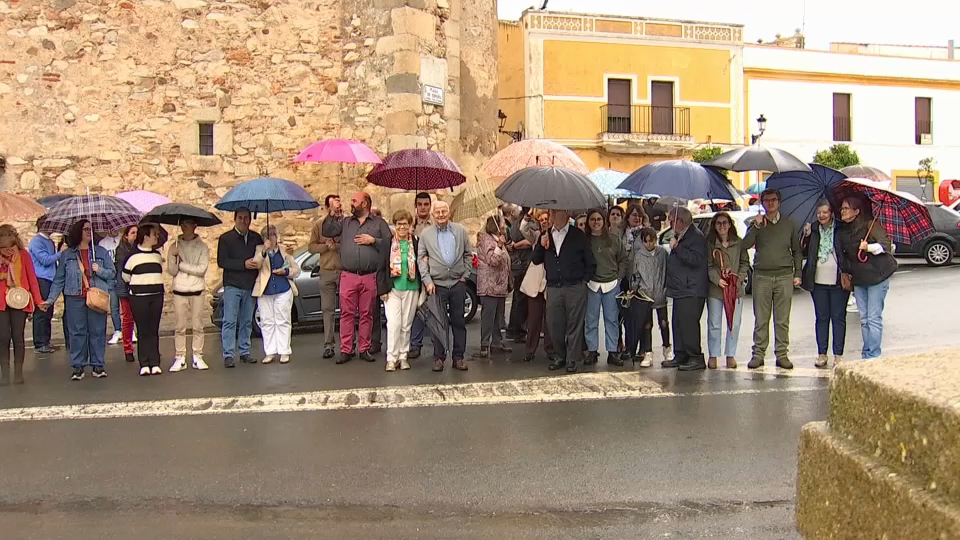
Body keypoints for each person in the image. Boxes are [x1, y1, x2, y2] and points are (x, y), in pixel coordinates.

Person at [41, 219, 116, 381]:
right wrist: (50, 300)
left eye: (90, 229)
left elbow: (112, 273)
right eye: (85, 229)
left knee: (97, 331)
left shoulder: (100, 253)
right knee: (77, 333)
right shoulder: (68, 255)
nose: (89, 232)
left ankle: (97, 364)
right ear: (78, 232)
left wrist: (99, 270)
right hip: (74, 298)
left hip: (95, 296)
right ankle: (78, 365)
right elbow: (59, 279)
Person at [323, 192, 392, 364]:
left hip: (369, 276)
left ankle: (364, 348)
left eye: (354, 201)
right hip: (348, 275)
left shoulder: (378, 223)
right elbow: (327, 231)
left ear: (365, 203)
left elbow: (390, 242)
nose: (351, 203)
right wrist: (332, 213)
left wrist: (373, 241)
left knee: (367, 314)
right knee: (346, 314)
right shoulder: (346, 222)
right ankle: (346, 349)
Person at [742, 189, 802, 370]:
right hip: (762, 276)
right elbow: (744, 245)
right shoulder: (757, 223)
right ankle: (758, 354)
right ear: (762, 202)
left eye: (774, 200)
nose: (770, 203)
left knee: (782, 319)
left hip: (784, 275)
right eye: (766, 200)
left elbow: (797, 250)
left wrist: (798, 273)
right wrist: (756, 227)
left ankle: (782, 354)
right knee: (761, 318)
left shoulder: (789, 223)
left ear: (779, 202)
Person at [532, 208, 596, 374]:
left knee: (575, 324)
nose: (551, 215)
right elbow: (536, 259)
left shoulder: (577, 235)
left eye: (555, 212)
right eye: (551, 212)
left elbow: (590, 261)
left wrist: (584, 281)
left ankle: (572, 359)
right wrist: (541, 244)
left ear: (565, 215)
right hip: (554, 286)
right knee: (554, 324)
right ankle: (560, 355)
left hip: (575, 286)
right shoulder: (546, 234)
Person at [837, 197, 897, 360]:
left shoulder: (871, 225)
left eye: (846, 208)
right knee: (864, 319)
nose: (842, 211)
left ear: (856, 212)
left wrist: (868, 247)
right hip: (860, 278)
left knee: (873, 317)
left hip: (877, 276)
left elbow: (886, 246)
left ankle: (874, 355)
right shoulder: (844, 231)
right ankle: (867, 354)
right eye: (842, 208)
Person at [418, 200, 473, 372]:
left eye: (444, 211)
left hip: (457, 283)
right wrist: (427, 281)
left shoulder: (460, 231)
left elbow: (468, 255)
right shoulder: (426, 234)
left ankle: (458, 358)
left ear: (449, 213)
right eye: (438, 212)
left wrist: (465, 276)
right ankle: (439, 358)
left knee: (459, 322)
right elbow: (421, 259)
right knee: (439, 323)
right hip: (437, 285)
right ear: (433, 215)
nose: (441, 215)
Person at [800, 200, 849, 368]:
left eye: (825, 212)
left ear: (832, 213)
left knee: (838, 317)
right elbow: (804, 252)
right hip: (818, 281)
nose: (821, 216)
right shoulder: (812, 229)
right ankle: (822, 354)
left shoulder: (841, 229)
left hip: (837, 282)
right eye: (819, 212)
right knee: (821, 318)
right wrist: (805, 236)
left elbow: (847, 251)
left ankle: (838, 355)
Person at [217, 208, 263, 368]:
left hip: (249, 284)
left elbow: (260, 257)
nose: (243, 221)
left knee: (246, 321)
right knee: (229, 321)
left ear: (250, 220)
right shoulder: (226, 239)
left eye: (246, 218)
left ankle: (245, 351)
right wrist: (242, 264)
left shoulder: (256, 238)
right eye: (241, 218)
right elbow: (222, 261)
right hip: (232, 285)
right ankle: (228, 354)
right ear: (235, 219)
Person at [664, 207, 708, 371]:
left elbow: (696, 259)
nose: (670, 223)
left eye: (671, 220)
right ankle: (681, 354)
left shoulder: (695, 237)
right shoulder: (680, 235)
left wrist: (678, 248)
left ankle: (695, 356)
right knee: (678, 323)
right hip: (680, 288)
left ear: (680, 221)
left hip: (691, 288)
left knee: (689, 324)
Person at [0, 225, 45, 385]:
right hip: (1, 302)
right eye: (3, 247)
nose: (7, 250)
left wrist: (39, 301)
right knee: (3, 337)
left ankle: (18, 372)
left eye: (9, 246)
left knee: (18, 336)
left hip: (20, 299)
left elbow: (32, 278)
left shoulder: (24, 255)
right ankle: (5, 373)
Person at [584, 209, 628, 366]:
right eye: (593, 219)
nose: (596, 222)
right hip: (591, 285)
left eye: (599, 219)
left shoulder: (614, 239)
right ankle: (591, 350)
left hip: (611, 284)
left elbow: (623, 259)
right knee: (591, 320)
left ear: (604, 221)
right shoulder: (585, 240)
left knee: (612, 320)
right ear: (589, 222)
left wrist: (619, 277)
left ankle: (613, 351)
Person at [706, 212, 750, 369]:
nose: (722, 226)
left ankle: (730, 354)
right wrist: (717, 279)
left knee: (734, 323)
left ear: (730, 224)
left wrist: (739, 277)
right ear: (714, 226)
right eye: (719, 223)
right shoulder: (710, 243)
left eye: (725, 222)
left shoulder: (738, 242)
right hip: (716, 289)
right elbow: (709, 265)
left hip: (735, 289)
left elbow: (745, 262)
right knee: (714, 323)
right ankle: (713, 354)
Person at [253, 225, 301, 365]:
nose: (271, 238)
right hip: (265, 290)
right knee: (267, 321)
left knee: (283, 320)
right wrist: (264, 251)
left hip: (283, 289)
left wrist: (285, 272)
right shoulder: (259, 250)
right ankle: (270, 352)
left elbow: (295, 270)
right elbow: (256, 264)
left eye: (273, 235)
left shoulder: (284, 250)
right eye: (268, 236)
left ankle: (284, 351)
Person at [122, 223, 165, 376]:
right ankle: (144, 362)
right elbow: (126, 276)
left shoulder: (157, 256)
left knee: (154, 329)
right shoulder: (132, 257)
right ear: (146, 236)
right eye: (154, 234)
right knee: (143, 329)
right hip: (139, 298)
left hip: (156, 296)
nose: (156, 236)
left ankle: (155, 362)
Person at [167, 218, 210, 372]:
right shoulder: (174, 246)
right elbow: (172, 271)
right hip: (180, 290)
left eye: (188, 225)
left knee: (198, 325)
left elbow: (201, 270)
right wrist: (173, 257)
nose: (185, 228)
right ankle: (180, 356)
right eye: (183, 225)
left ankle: (198, 354)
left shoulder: (202, 247)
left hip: (196, 290)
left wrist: (182, 265)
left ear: (194, 226)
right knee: (180, 326)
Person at [383, 210, 419, 371]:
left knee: (406, 325)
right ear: (395, 225)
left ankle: (403, 356)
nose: (402, 227)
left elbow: (422, 264)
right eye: (399, 224)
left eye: (405, 223)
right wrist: (382, 289)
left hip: (411, 287)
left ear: (410, 225)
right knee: (393, 324)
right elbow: (381, 266)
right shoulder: (388, 243)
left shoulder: (416, 242)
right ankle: (391, 357)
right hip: (393, 289)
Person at [625, 227, 667, 367]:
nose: (649, 244)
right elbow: (636, 275)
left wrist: (667, 287)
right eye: (646, 241)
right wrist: (633, 289)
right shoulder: (639, 255)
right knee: (647, 324)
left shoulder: (663, 253)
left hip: (660, 292)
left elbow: (667, 271)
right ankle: (648, 352)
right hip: (645, 294)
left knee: (664, 323)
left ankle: (667, 347)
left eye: (652, 241)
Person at [308, 194, 342, 360]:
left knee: (348, 310)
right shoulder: (319, 224)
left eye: (339, 203)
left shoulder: (346, 223)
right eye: (334, 204)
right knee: (327, 310)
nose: (338, 206)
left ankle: (348, 344)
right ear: (328, 207)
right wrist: (325, 247)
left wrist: (337, 246)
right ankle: (328, 345)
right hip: (327, 270)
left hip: (344, 270)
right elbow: (311, 247)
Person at [473, 214, 512, 359]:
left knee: (498, 316)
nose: (505, 227)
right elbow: (493, 260)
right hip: (490, 286)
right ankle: (484, 344)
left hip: (499, 286)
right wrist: (500, 246)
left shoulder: (496, 240)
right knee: (489, 316)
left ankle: (496, 342)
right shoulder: (487, 241)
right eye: (503, 224)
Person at [522, 210, 553, 362]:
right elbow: (524, 229)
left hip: (550, 282)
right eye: (541, 219)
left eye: (546, 218)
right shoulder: (537, 236)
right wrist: (527, 216)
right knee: (534, 319)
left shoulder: (556, 236)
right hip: (536, 283)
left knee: (550, 320)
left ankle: (550, 349)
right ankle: (529, 350)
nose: (544, 221)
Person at [27, 216, 60, 354]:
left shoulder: (50, 242)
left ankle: (46, 341)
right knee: (41, 311)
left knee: (49, 312)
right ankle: (39, 343)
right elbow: (45, 260)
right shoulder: (36, 241)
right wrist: (61, 253)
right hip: (41, 279)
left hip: (51, 279)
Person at [505, 205, 536, 343]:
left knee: (518, 298)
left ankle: (513, 328)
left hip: (518, 263)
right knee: (522, 298)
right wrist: (517, 245)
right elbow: (531, 241)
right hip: (525, 263)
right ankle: (518, 330)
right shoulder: (526, 223)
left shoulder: (515, 223)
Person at [409, 192, 434, 359]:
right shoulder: (411, 225)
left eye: (426, 204)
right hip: (415, 273)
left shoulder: (435, 225)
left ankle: (438, 344)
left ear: (430, 206)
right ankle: (415, 344)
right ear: (416, 206)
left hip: (433, 272)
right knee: (417, 309)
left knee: (434, 309)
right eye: (420, 204)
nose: (423, 207)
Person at [114, 225, 138, 363]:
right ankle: (127, 348)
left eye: (137, 233)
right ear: (126, 236)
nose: (135, 235)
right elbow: (124, 266)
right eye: (133, 233)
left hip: (139, 288)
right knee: (128, 319)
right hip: (125, 288)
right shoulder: (121, 250)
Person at [99, 229, 123, 345]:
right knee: (114, 307)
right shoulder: (103, 244)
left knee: (127, 307)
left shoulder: (122, 240)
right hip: (110, 278)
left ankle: (130, 330)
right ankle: (118, 330)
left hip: (122, 276)